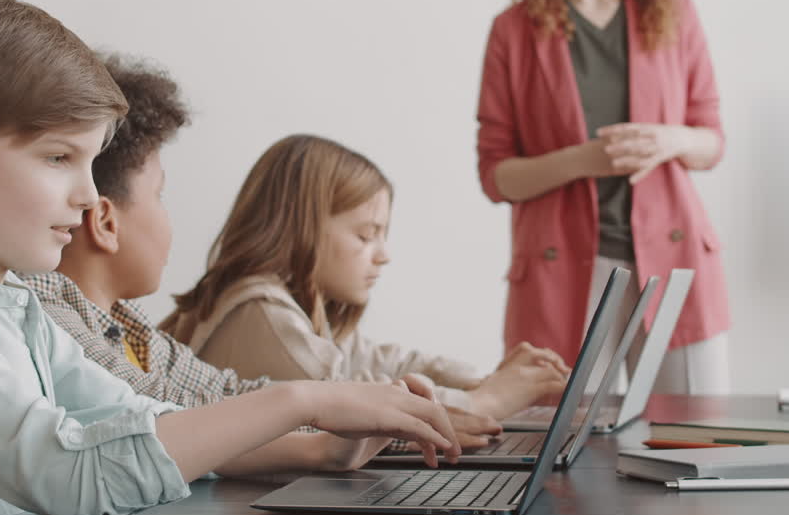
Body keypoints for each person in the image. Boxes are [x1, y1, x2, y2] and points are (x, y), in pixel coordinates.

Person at [0, 0, 459, 515]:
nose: (87, 196)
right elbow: (70, 475)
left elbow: (146, 423)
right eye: (59, 159)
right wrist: (304, 398)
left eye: (91, 164)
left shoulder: (13, 304)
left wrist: (321, 444)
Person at [20, 54, 500, 447]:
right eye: (162, 195)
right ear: (105, 220)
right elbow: (158, 415)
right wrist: (487, 399)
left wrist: (341, 423)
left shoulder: (129, 325)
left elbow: (219, 392)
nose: (384, 255)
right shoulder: (46, 314)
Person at [475, 0, 729, 394]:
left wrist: (672, 140)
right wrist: (584, 160)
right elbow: (496, 175)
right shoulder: (513, 32)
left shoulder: (675, 10)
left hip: (674, 258)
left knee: (697, 442)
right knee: (570, 461)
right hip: (564, 270)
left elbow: (712, 138)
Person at [163, 134, 570, 420]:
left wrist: (482, 380)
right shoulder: (261, 314)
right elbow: (353, 399)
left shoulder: (303, 308)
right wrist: (486, 401)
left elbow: (380, 361)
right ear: (300, 228)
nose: (384, 255)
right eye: (365, 235)